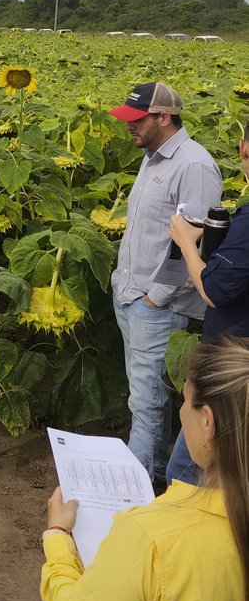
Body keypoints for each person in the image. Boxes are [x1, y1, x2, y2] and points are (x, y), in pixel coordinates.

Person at [41, 335, 249, 601]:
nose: (181, 410)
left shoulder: (155, 538)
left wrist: (57, 540)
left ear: (208, 423)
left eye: (184, 399)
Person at [108, 81, 222, 486]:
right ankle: (153, 483)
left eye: (136, 121)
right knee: (145, 402)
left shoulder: (193, 165)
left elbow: (191, 244)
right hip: (132, 295)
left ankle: (131, 496)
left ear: (163, 117)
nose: (128, 128)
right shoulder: (153, 156)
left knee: (147, 407)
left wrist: (155, 298)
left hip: (156, 306)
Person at [166, 116, 249, 483]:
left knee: (186, 472)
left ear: (244, 150)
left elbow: (213, 291)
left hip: (231, 364)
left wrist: (185, 240)